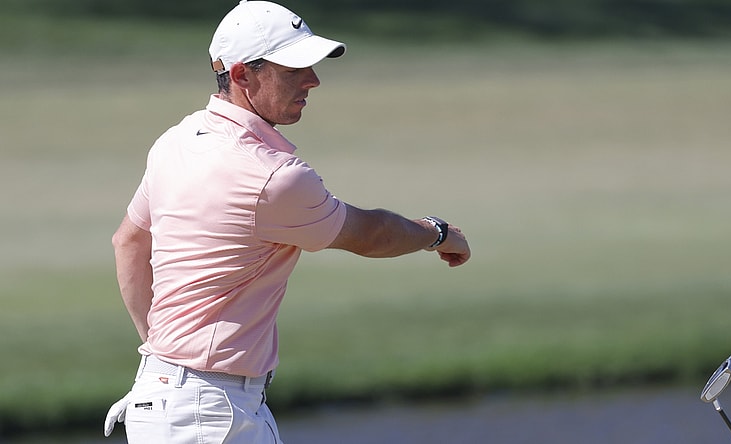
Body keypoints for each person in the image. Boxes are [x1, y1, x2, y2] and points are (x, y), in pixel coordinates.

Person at [103, 1, 471, 442]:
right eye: (293, 69)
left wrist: (166, 357)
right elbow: (372, 235)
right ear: (241, 75)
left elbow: (128, 242)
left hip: (171, 396)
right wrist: (437, 232)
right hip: (208, 413)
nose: (313, 80)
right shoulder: (272, 176)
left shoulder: (176, 141)